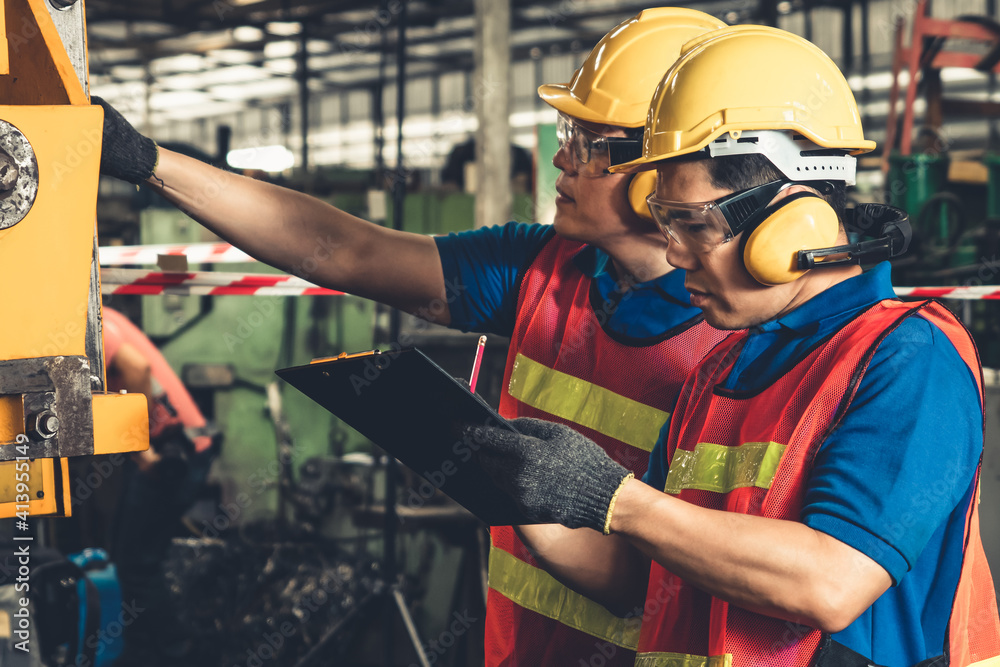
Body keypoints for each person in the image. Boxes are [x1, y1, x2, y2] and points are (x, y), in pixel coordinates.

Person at [93, 9, 733, 665]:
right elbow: (344, 249)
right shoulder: (540, 269)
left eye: (590, 143)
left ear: (663, 173)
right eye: (570, 134)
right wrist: (148, 161)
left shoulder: (743, 338)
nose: (560, 156)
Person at [468, 25, 1000, 667]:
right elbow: (638, 579)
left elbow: (830, 582)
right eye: (666, 222)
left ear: (790, 223)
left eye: (692, 224)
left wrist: (617, 499)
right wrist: (520, 490)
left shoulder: (908, 357)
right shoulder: (719, 371)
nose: (672, 251)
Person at [102, 306, 218, 661]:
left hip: (172, 454)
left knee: (136, 566)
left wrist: (141, 449)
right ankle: (149, 653)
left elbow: (137, 368)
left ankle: (174, 652)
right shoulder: (100, 312)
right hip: (180, 448)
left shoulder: (87, 320)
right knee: (130, 560)